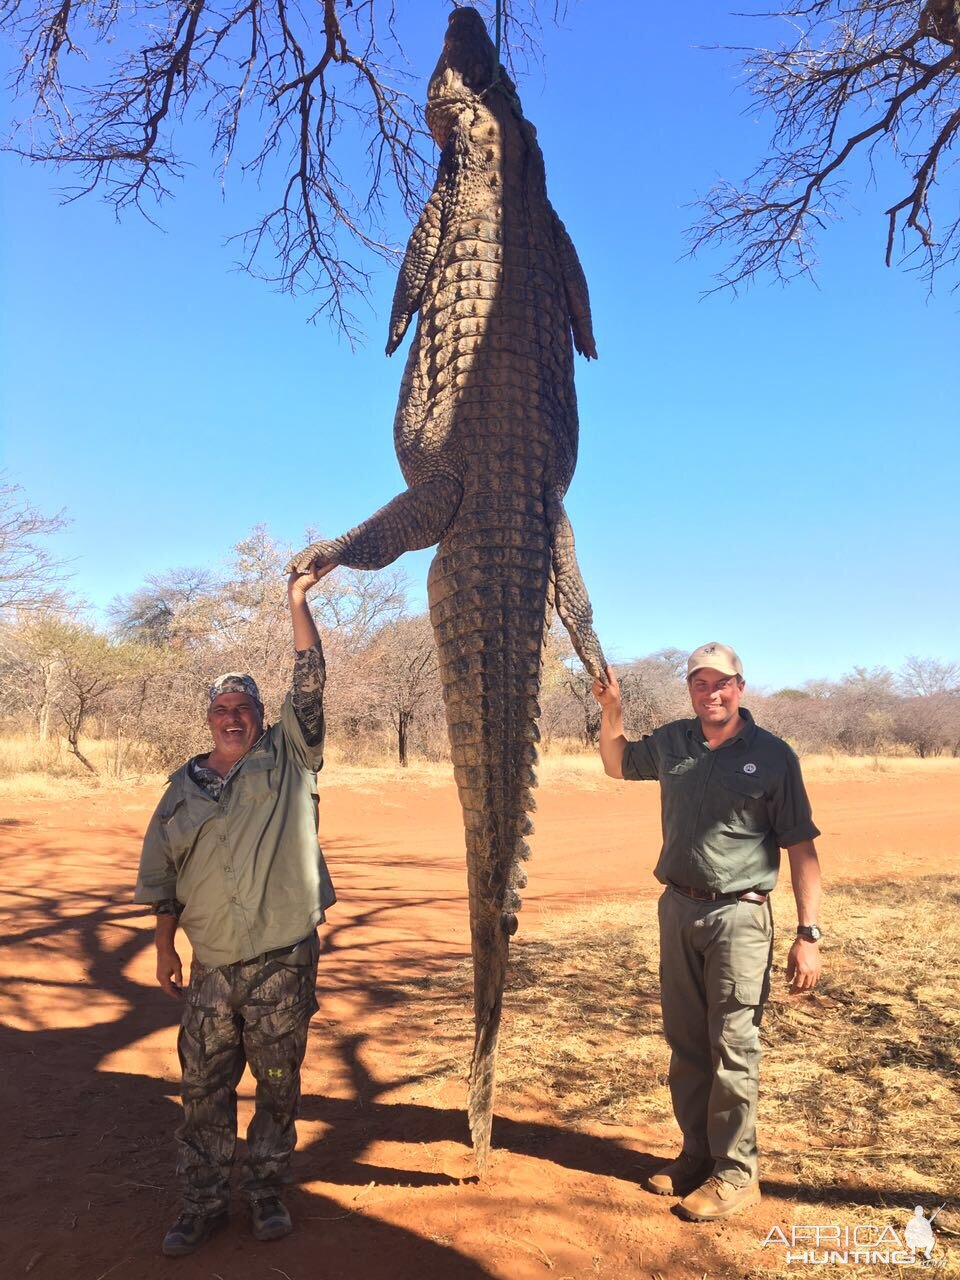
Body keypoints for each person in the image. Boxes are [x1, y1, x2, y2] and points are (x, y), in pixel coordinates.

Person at [134, 568, 336, 1256]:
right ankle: (202, 1201)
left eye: (243, 705)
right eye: (222, 706)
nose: (232, 715)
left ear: (258, 716)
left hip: (282, 957)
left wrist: (296, 602)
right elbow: (162, 877)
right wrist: (165, 948)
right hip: (212, 966)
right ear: (208, 717)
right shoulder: (179, 793)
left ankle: (268, 1190)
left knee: (276, 1083)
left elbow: (310, 682)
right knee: (204, 1088)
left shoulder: (288, 759)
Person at [592, 641, 823, 1222]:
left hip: (740, 916)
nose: (711, 693)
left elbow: (801, 846)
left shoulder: (773, 756)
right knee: (688, 1044)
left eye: (722, 683)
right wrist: (611, 707)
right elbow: (616, 762)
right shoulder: (674, 743)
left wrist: (808, 934)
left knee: (733, 1048)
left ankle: (738, 1174)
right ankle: (696, 1155)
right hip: (678, 908)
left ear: (740, 687)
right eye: (700, 683)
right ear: (691, 689)